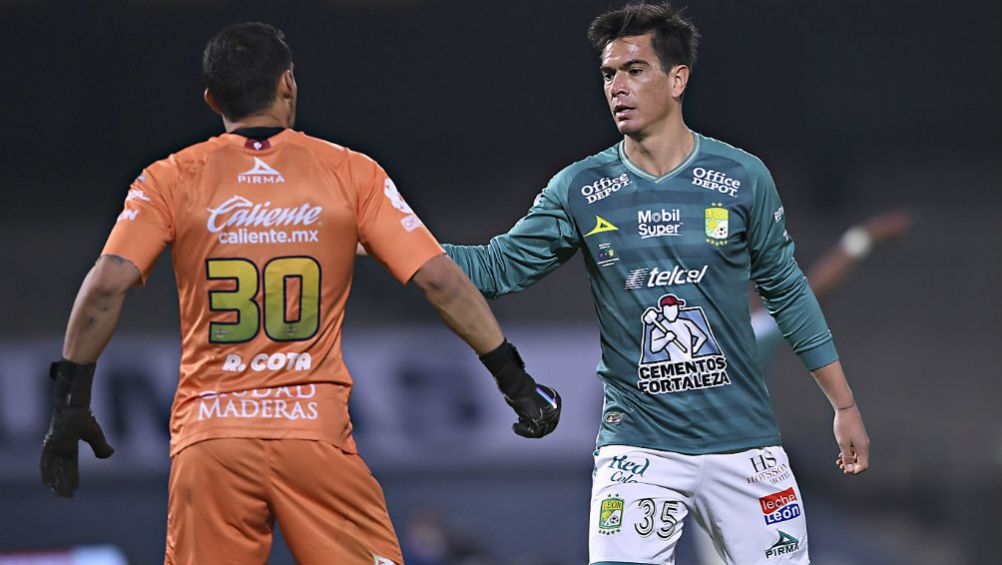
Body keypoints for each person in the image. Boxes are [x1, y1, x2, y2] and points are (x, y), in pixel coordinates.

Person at [38, 23, 560, 565]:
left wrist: (70, 403)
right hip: (312, 433)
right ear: (288, 83)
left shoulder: (168, 179)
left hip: (211, 437)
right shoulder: (350, 172)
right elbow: (440, 280)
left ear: (213, 99)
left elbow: (106, 286)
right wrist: (515, 382)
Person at [440, 4, 869, 564]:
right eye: (608, 74)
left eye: (635, 70)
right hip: (638, 450)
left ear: (677, 79)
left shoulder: (741, 176)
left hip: (744, 445)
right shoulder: (580, 187)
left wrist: (843, 404)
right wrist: (389, 235)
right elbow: (497, 268)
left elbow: (786, 291)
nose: (616, 86)